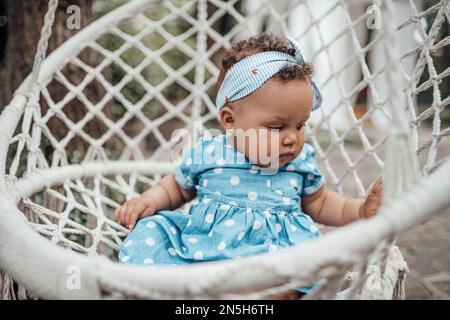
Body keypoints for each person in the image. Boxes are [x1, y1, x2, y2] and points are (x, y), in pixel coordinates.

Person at [115, 32, 383, 299]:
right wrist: (148, 200)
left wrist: (359, 209)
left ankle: (264, 296)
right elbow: (177, 187)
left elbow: (321, 203)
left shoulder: (299, 162)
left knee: (297, 280)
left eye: (300, 125)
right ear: (229, 120)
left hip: (277, 260)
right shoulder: (210, 153)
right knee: (151, 231)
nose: (292, 138)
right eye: (276, 127)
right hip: (207, 254)